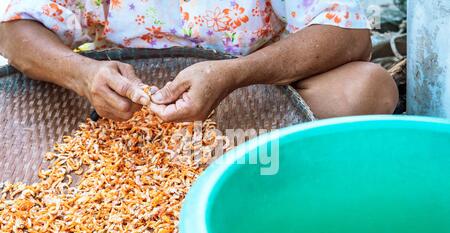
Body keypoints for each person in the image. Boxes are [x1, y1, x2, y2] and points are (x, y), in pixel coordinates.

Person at [0, 0, 398, 122]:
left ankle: (242, 164)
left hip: (247, 100)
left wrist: (235, 74)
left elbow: (348, 32)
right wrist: (83, 74)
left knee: (368, 88)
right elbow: (12, 29)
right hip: (123, 112)